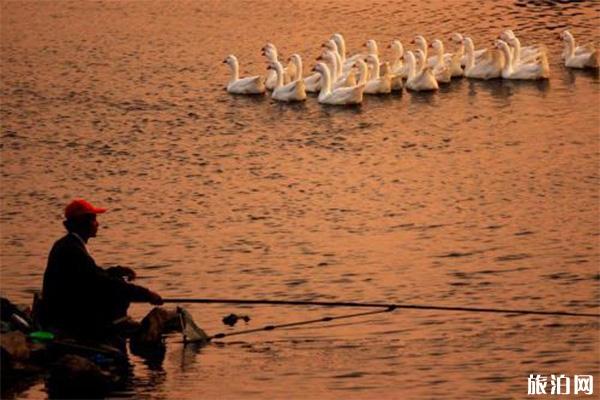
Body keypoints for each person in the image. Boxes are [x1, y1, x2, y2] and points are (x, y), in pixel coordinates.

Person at [41, 199, 163, 339]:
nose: (97, 224)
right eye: (93, 219)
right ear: (82, 223)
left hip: (61, 311)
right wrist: (147, 294)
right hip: (65, 318)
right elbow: (103, 283)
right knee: (115, 290)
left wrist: (117, 271)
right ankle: (113, 328)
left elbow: (92, 275)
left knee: (116, 283)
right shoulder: (72, 249)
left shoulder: (68, 244)